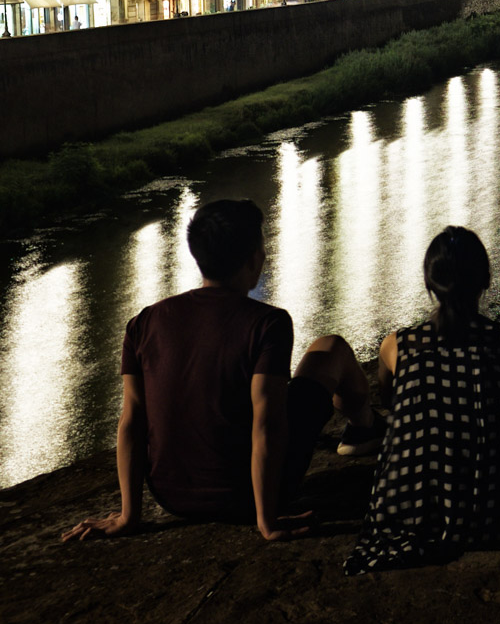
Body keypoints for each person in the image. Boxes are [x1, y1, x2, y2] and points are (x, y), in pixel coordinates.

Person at [63, 199, 382, 543]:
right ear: (254, 258)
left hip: (173, 497)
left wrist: (128, 516)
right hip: (245, 497)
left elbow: (132, 419)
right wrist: (266, 518)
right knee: (331, 348)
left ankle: (363, 428)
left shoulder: (143, 322)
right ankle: (364, 428)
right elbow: (267, 422)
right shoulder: (267, 323)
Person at [344, 226, 500, 574]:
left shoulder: (396, 346)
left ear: (430, 283)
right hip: (497, 507)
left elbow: (393, 402)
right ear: (485, 281)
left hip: (411, 504)